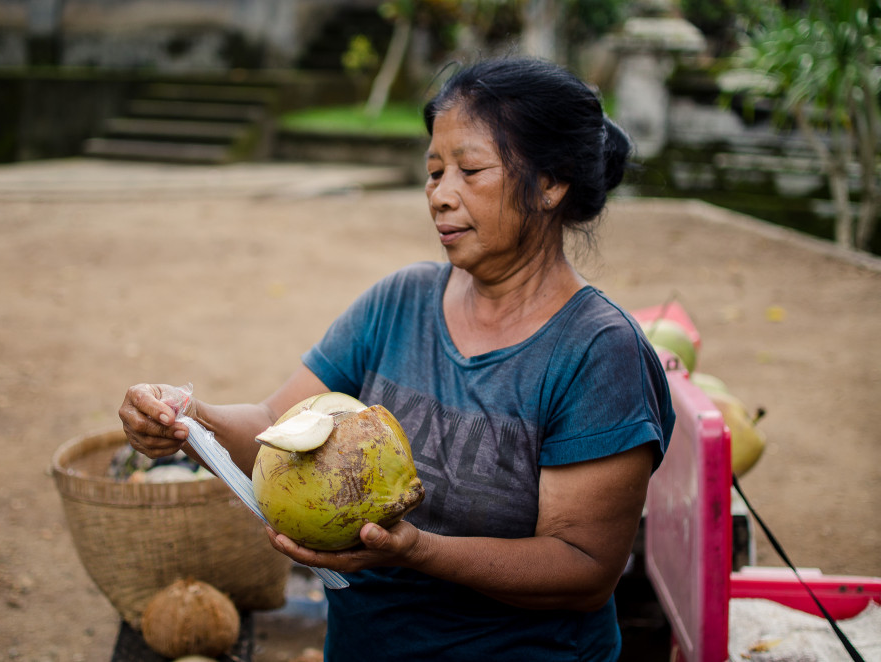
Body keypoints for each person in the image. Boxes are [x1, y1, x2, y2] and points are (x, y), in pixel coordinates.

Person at [120, 56, 675, 661]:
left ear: (551, 182)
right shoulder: (399, 301)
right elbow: (279, 432)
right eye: (435, 172)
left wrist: (415, 549)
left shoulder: (598, 352)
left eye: (470, 170)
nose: (440, 195)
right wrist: (188, 419)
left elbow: (584, 567)